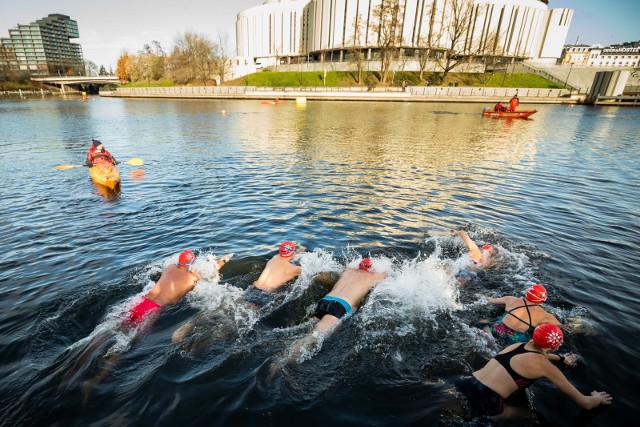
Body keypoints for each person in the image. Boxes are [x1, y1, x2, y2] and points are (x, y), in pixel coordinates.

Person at [80, 250, 233, 397]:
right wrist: (225, 260)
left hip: (139, 302)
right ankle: (94, 381)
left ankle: (79, 360)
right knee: (124, 345)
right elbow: (212, 271)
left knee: (107, 332)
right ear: (191, 265)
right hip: (152, 310)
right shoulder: (192, 279)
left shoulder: (170, 267)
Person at [455, 324, 612, 421]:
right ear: (554, 346)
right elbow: (585, 403)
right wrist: (595, 398)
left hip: (466, 383)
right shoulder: (546, 366)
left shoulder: (517, 345)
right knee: (527, 413)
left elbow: (535, 354)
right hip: (487, 400)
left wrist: (561, 358)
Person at [485, 284, 563, 346]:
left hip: (498, 327)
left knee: (488, 328)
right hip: (516, 338)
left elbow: (491, 300)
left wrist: (486, 297)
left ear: (527, 293)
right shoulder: (545, 315)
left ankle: (489, 336)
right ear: (542, 300)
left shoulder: (511, 299)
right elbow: (562, 327)